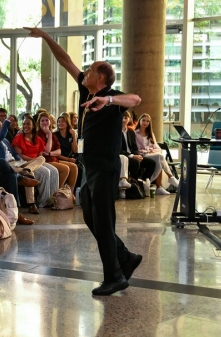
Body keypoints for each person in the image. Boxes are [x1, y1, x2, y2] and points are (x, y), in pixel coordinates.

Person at [26, 26, 143, 296]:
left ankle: (114, 276)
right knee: (92, 219)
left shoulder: (113, 99)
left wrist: (109, 100)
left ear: (101, 77)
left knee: (103, 222)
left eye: (90, 71)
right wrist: (45, 37)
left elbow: (136, 99)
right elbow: (65, 59)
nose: (85, 73)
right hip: (91, 169)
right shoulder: (85, 90)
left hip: (106, 169)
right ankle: (125, 257)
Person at [0, 117, 46, 214]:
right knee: (31, 175)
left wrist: (18, 158)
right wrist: (7, 122)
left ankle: (27, 170)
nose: (2, 127)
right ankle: (31, 204)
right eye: (1, 125)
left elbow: (13, 152)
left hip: (17, 163)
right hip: (6, 165)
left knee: (41, 158)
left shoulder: (5, 140)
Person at [11, 116, 60, 211]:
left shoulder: (37, 139)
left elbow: (40, 155)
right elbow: (19, 155)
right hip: (23, 163)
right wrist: (34, 160)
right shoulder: (19, 138)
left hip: (36, 162)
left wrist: (35, 160)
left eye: (28, 124)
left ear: (33, 126)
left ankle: (52, 200)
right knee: (45, 172)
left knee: (54, 170)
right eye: (24, 124)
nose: (25, 126)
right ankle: (43, 202)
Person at [134, 113, 179, 195]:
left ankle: (159, 187)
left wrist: (152, 151)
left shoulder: (150, 134)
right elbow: (136, 148)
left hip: (151, 155)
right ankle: (169, 178)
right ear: (139, 121)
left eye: (147, 121)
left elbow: (158, 148)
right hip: (141, 155)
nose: (145, 123)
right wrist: (149, 150)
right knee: (159, 157)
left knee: (159, 159)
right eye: (143, 120)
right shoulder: (135, 133)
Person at [36, 111, 78, 189]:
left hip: (55, 158)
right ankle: (57, 193)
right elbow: (47, 150)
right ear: (39, 123)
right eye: (42, 121)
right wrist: (50, 134)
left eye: (47, 120)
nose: (45, 122)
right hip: (46, 160)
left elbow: (59, 151)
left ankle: (70, 193)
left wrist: (74, 136)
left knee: (74, 167)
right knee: (65, 169)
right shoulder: (43, 134)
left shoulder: (69, 134)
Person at [120, 111, 156, 185]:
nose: (124, 120)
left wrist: (137, 155)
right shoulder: (116, 132)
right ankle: (135, 184)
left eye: (126, 118)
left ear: (129, 119)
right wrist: (133, 156)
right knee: (135, 163)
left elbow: (134, 147)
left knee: (152, 163)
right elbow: (118, 149)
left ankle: (143, 183)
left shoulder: (131, 132)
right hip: (123, 156)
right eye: (122, 118)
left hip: (133, 155)